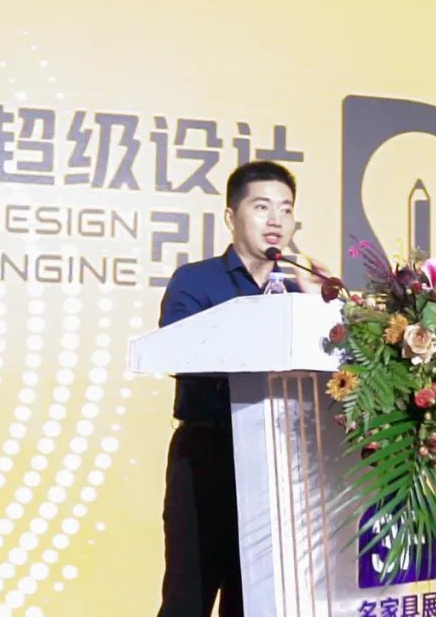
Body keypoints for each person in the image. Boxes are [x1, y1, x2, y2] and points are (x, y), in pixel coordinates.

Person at [156, 160, 327, 617]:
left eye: (286, 209)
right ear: (231, 217)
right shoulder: (195, 280)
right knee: (187, 599)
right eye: (262, 207)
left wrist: (319, 305)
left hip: (282, 463)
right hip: (208, 456)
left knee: (256, 602)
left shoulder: (300, 290)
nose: (276, 220)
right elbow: (178, 350)